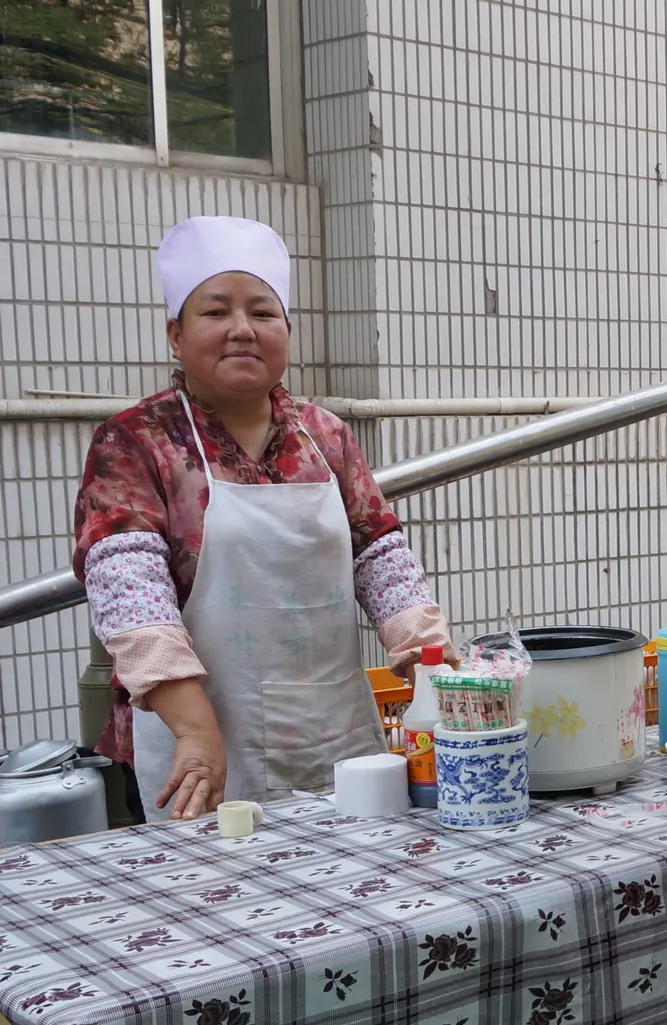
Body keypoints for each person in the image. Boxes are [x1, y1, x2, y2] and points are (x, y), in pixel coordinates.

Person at [73, 217, 450, 820]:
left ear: (287, 330)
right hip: (195, 736)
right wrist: (197, 735)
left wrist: (428, 656)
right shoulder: (137, 441)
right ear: (176, 333)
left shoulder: (325, 435)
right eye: (216, 312)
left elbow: (378, 553)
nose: (242, 330)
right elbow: (130, 591)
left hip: (333, 728)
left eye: (263, 313)